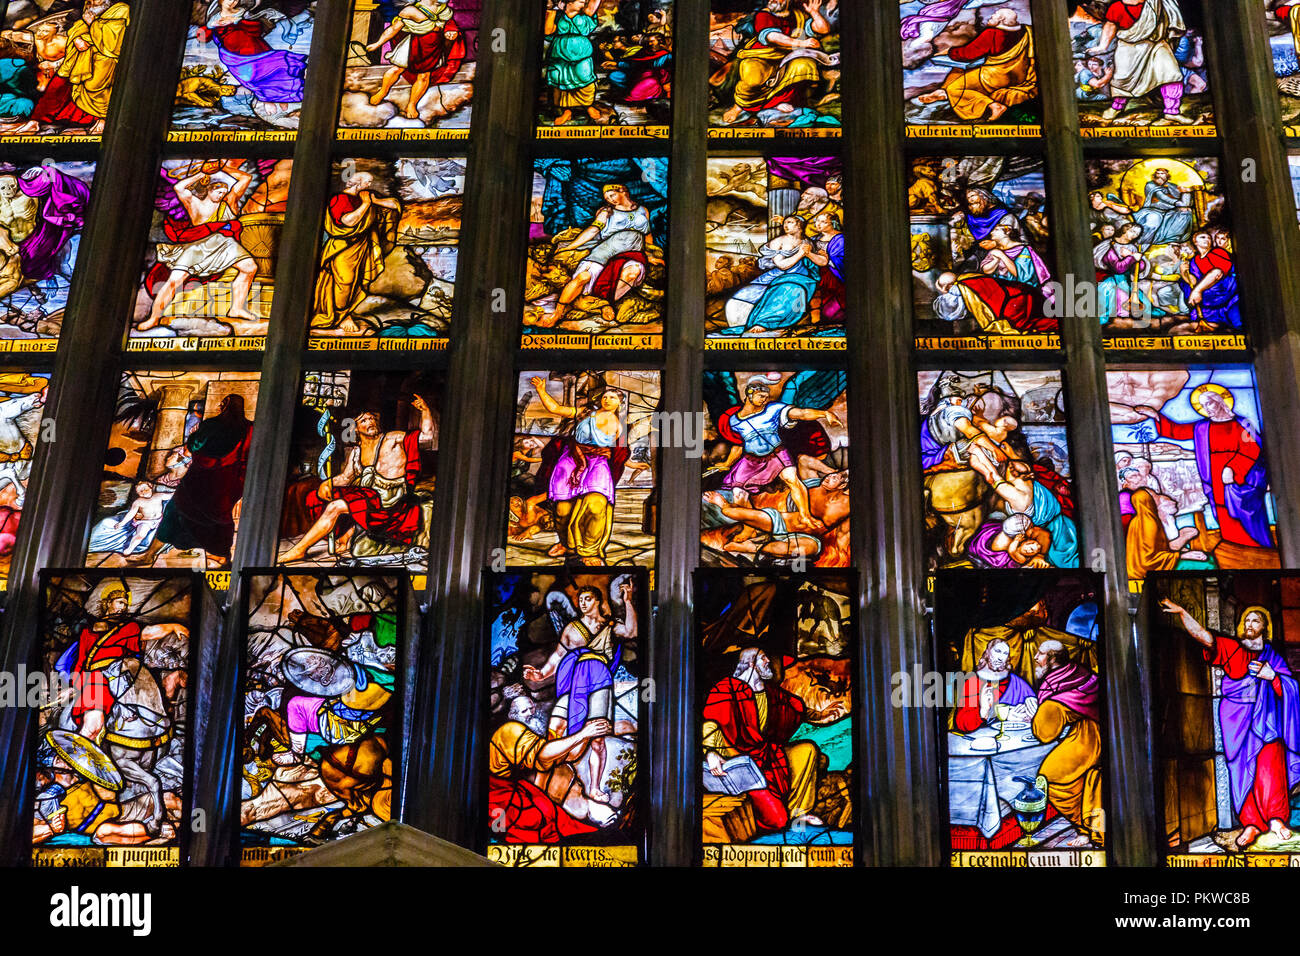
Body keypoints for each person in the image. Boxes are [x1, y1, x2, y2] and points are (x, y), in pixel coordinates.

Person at [1161, 601, 1300, 848]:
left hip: (1267, 721)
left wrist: (1273, 677)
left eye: (1255, 621)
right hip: (1236, 719)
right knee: (1240, 770)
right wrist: (1183, 613)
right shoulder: (1232, 648)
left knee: (1271, 769)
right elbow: (1205, 638)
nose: (1249, 625)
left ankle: (1277, 820)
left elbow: (1291, 688)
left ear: (1264, 627)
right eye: (1247, 620)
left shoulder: (1273, 656)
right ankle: (1251, 823)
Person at [281, 394, 435, 562]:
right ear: (355, 428)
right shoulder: (357, 452)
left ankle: (300, 550)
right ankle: (345, 538)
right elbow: (346, 477)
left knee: (337, 505)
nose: (370, 423)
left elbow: (427, 438)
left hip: (392, 502)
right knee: (318, 497)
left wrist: (425, 411)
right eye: (363, 421)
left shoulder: (393, 439)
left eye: (371, 419)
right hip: (373, 498)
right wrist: (328, 483)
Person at [523, 581, 636, 804]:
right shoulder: (571, 629)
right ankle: (540, 785)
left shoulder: (610, 626)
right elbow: (557, 657)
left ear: (598, 602)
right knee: (555, 729)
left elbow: (632, 631)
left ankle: (593, 788)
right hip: (573, 682)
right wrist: (541, 674)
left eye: (587, 599)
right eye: (580, 600)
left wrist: (628, 601)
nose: (583, 603)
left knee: (597, 739)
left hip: (599, 681)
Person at [1133, 385, 1275, 554]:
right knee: (1222, 511)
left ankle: (1257, 549)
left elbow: (1252, 448)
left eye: (1210, 404)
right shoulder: (1202, 428)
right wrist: (1156, 415)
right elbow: (1177, 431)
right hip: (1214, 476)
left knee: (1245, 512)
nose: (1207, 409)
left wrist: (1234, 468)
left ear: (1220, 402)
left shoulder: (1244, 424)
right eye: (1204, 406)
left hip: (1240, 478)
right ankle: (1233, 546)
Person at [530, 379, 651, 565]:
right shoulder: (585, 413)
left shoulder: (621, 426)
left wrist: (633, 465)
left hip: (597, 464)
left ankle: (590, 550)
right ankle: (567, 544)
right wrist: (541, 389)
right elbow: (555, 408)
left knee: (596, 504)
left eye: (612, 397)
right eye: (605, 396)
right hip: (571, 461)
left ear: (620, 403)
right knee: (562, 509)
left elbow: (620, 452)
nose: (607, 400)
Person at [702, 647, 823, 834]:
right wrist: (711, 753)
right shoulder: (726, 689)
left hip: (768, 755)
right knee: (776, 819)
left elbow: (796, 707)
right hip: (738, 762)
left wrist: (820, 714)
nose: (768, 661)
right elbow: (710, 724)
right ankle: (778, 816)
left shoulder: (771, 693)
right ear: (750, 663)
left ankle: (798, 813)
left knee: (806, 750)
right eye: (763, 658)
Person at [131, 394, 253, 569]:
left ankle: (150, 555)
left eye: (222, 404)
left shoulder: (211, 425)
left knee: (176, 511)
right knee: (219, 518)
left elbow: (191, 449)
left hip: (201, 480)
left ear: (224, 406)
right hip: (229, 482)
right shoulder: (250, 429)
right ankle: (222, 557)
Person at [138, 162, 260, 330]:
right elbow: (180, 188)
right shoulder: (195, 204)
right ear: (209, 190)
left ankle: (236, 308)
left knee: (250, 267)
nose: (222, 194)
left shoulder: (229, 204)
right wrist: (202, 173)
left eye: (224, 192)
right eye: (218, 191)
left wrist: (222, 168)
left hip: (225, 244)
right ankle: (154, 318)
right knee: (174, 281)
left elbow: (246, 178)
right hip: (197, 247)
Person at [711, 376, 841, 522]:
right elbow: (740, 445)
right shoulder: (734, 421)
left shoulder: (773, 409)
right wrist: (727, 464)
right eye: (761, 396)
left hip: (777, 454)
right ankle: (750, 527)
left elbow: (801, 413)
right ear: (749, 394)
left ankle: (805, 516)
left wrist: (824, 413)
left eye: (766, 397)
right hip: (751, 461)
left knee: (793, 480)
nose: (764, 400)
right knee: (739, 493)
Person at [487, 697, 613, 842]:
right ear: (513, 715)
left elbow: (566, 756)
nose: (530, 713)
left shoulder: (535, 731)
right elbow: (543, 755)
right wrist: (583, 734)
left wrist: (587, 736)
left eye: (531, 708)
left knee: (550, 810)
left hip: (515, 786)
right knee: (537, 819)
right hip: (496, 791)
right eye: (524, 711)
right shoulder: (510, 731)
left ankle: (591, 817)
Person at [6, 1, 130, 136]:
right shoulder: (89, 9)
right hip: (78, 58)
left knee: (97, 85)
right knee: (58, 84)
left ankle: (102, 120)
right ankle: (36, 120)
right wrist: (78, 38)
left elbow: (114, 42)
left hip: (105, 62)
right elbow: (78, 29)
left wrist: (91, 26)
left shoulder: (121, 10)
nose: (93, 1)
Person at [1025, 639, 1104, 846]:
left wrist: (1035, 715)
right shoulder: (1077, 672)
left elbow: (1044, 733)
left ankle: (1087, 828)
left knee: (1051, 777)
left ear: (1052, 659)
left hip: (1089, 738)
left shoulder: (1054, 685)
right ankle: (1089, 830)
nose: (1036, 658)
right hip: (1100, 735)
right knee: (1084, 780)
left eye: (1040, 654)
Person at [539, 183, 651, 327]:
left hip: (632, 255)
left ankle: (603, 303)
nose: (611, 200)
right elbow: (593, 230)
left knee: (632, 272)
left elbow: (647, 236)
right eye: (607, 198)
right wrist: (571, 246)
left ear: (623, 191)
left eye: (612, 195)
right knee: (583, 277)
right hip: (603, 254)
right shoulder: (606, 212)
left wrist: (652, 254)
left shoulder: (643, 211)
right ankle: (557, 314)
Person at [311, 170, 401, 336]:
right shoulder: (340, 199)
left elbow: (394, 205)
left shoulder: (364, 197)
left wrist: (373, 201)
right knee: (344, 282)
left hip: (361, 247)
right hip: (343, 248)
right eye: (367, 182)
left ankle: (345, 314)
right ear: (358, 183)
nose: (369, 185)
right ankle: (341, 317)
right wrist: (366, 204)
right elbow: (347, 221)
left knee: (355, 284)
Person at [718, 0, 834, 125]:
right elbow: (772, 36)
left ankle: (781, 102)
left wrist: (814, 12)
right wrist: (801, 43)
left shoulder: (798, 16)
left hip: (787, 57)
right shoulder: (763, 15)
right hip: (760, 56)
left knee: (805, 65)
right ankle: (739, 106)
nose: (772, 0)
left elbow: (823, 29)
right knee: (753, 79)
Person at [915, 7, 1037, 123]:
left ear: (1001, 20)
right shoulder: (1026, 31)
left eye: (994, 16)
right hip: (1018, 75)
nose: (991, 17)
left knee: (956, 88)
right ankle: (942, 93)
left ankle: (993, 106)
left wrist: (949, 52)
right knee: (958, 70)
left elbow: (968, 53)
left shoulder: (993, 33)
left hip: (993, 77)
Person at [1088, 0, 1193, 124]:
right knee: (1123, 81)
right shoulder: (1117, 7)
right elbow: (1111, 25)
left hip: (1156, 44)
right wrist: (1103, 46)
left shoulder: (1157, 2)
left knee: (1172, 74)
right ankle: (1116, 107)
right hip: (1129, 47)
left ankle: (1172, 111)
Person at [720, 215, 820, 335]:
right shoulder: (779, 242)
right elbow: (781, 265)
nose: (785, 226)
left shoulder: (808, 242)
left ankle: (770, 321)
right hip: (780, 275)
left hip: (802, 277)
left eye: (790, 222)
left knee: (792, 289)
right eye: (785, 223)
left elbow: (818, 262)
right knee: (782, 289)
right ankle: (762, 321)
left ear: (799, 225)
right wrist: (800, 254)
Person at [202, 0, 307, 113]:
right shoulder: (214, 18)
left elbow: (256, 29)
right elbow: (204, 36)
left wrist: (243, 23)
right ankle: (269, 99)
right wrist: (211, 27)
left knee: (277, 68)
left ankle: (286, 97)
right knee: (252, 78)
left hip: (255, 49)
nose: (232, 1)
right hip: (235, 56)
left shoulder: (243, 13)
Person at [365, 2, 465, 120]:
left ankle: (412, 104)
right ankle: (382, 92)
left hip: (433, 47)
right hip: (412, 44)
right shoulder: (409, 11)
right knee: (397, 69)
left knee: (424, 76)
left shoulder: (444, 11)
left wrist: (450, 32)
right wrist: (377, 44)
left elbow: (449, 25)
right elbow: (393, 29)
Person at [952, 638, 1035, 732]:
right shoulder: (973, 682)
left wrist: (1030, 710)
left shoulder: (1016, 682)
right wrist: (983, 711)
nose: (1000, 658)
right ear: (987, 652)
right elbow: (962, 723)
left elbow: (1033, 710)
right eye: (997, 651)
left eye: (1005, 654)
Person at [544, 0, 602, 126]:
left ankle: (588, 106)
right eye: (581, 1)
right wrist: (553, 9)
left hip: (582, 55)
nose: (584, 4)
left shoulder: (586, 16)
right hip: (560, 55)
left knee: (586, 79)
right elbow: (548, 31)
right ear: (568, 2)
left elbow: (593, 4)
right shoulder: (558, 15)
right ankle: (566, 111)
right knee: (561, 81)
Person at [1179, 229, 1240, 329]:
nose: (1207, 239)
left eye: (1208, 238)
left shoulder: (1218, 252)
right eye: (1202, 237)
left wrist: (1197, 291)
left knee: (1237, 322)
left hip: (1228, 296)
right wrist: (1184, 273)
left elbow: (1218, 273)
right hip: (1209, 302)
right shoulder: (1195, 260)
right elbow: (1194, 282)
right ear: (1195, 242)